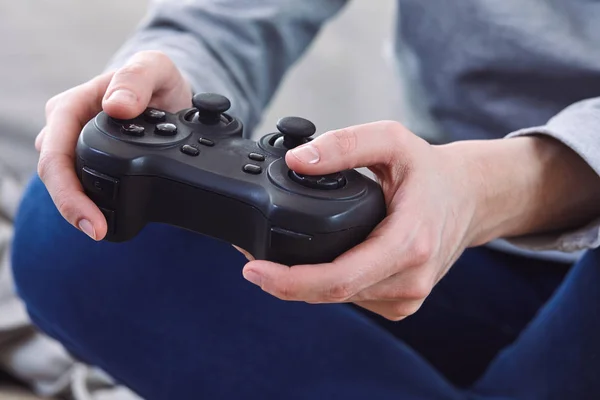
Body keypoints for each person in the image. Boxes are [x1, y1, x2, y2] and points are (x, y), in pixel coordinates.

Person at [11, 1, 600, 398]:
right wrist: (156, 92)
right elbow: (231, 20)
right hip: (449, 240)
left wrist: (488, 188)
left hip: (542, 237)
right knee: (72, 220)